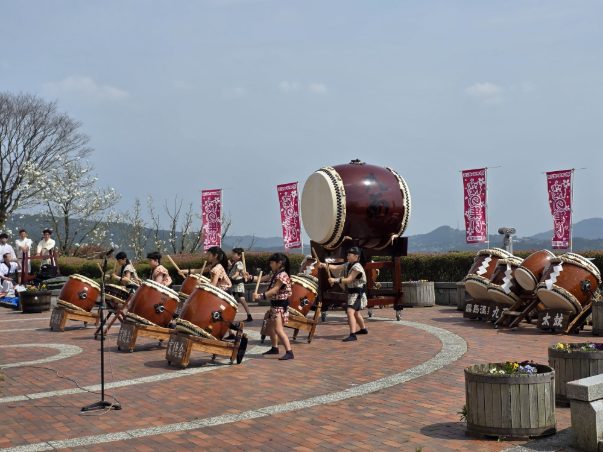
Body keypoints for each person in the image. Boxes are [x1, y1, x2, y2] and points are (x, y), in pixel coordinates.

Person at [248, 253, 294, 360]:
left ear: (279, 263)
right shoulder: (275, 273)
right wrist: (249, 277)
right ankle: (274, 348)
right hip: (275, 305)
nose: (270, 264)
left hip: (280, 306)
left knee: (278, 329)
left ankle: (289, 351)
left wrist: (260, 296)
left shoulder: (282, 275)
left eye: (272, 263)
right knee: (272, 328)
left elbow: (275, 290)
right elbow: (261, 278)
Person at [321, 246, 368, 342]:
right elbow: (336, 267)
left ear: (356, 256)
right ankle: (363, 329)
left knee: (350, 312)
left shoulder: (357, 267)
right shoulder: (348, 264)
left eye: (349, 254)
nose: (347, 256)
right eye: (347, 254)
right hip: (352, 293)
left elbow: (349, 279)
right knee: (356, 313)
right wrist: (323, 265)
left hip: (357, 294)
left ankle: (352, 334)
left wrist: (335, 280)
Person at [228, 248, 253, 322]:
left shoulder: (239, 263)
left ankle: (248, 315)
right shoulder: (235, 263)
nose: (232, 255)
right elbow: (237, 271)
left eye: (234, 254)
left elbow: (237, 274)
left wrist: (230, 278)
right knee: (239, 299)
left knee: (238, 299)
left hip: (238, 284)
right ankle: (249, 315)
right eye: (232, 254)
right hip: (234, 284)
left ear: (239, 256)